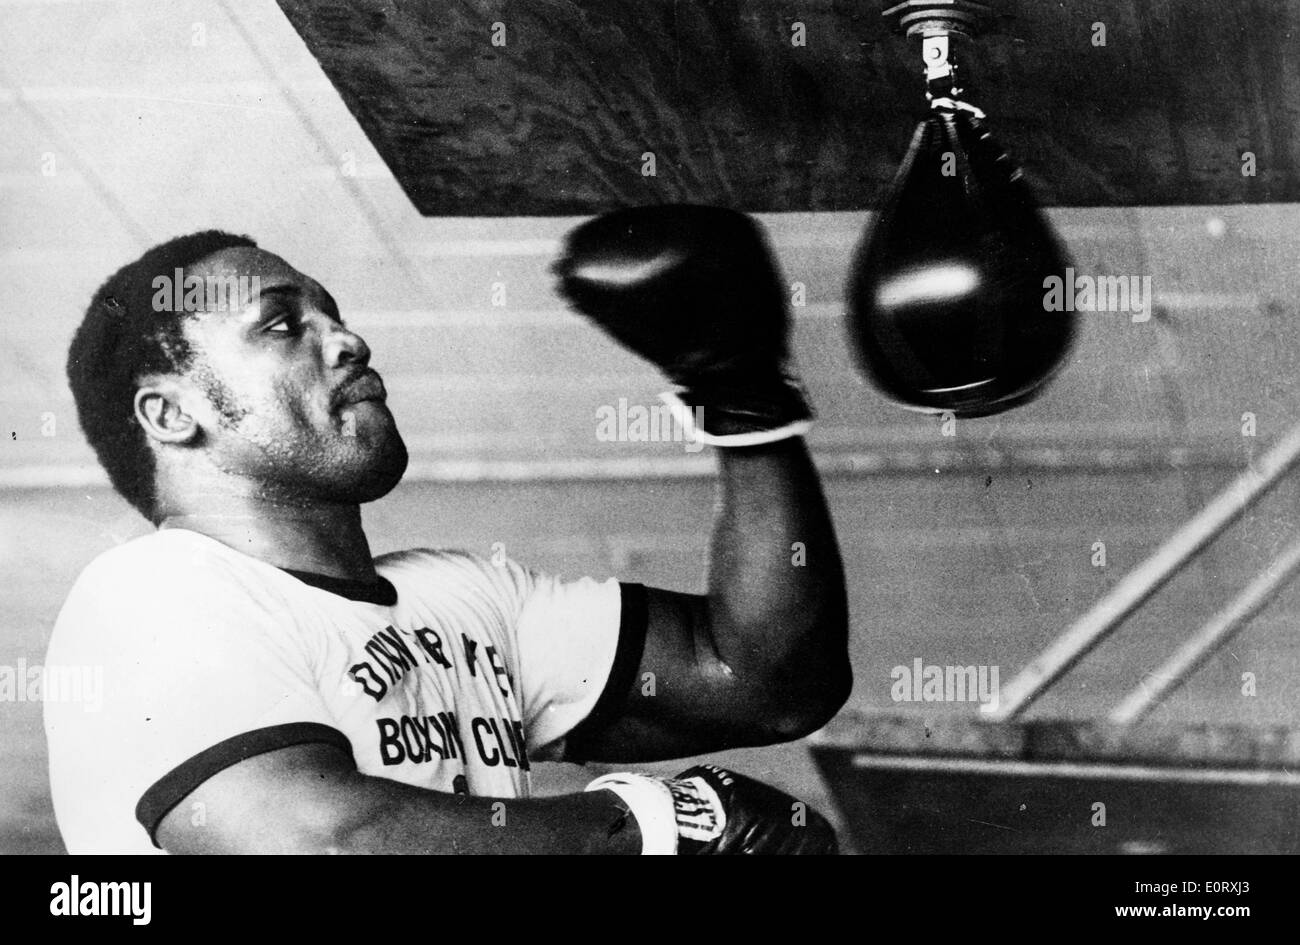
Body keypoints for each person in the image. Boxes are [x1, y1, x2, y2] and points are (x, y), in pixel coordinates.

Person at [45, 205, 851, 854]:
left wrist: (745, 401)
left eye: (333, 312)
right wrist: (654, 823)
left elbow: (769, 683)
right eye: (282, 326)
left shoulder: (461, 595)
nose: (347, 338)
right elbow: (313, 841)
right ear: (171, 413)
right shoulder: (147, 595)